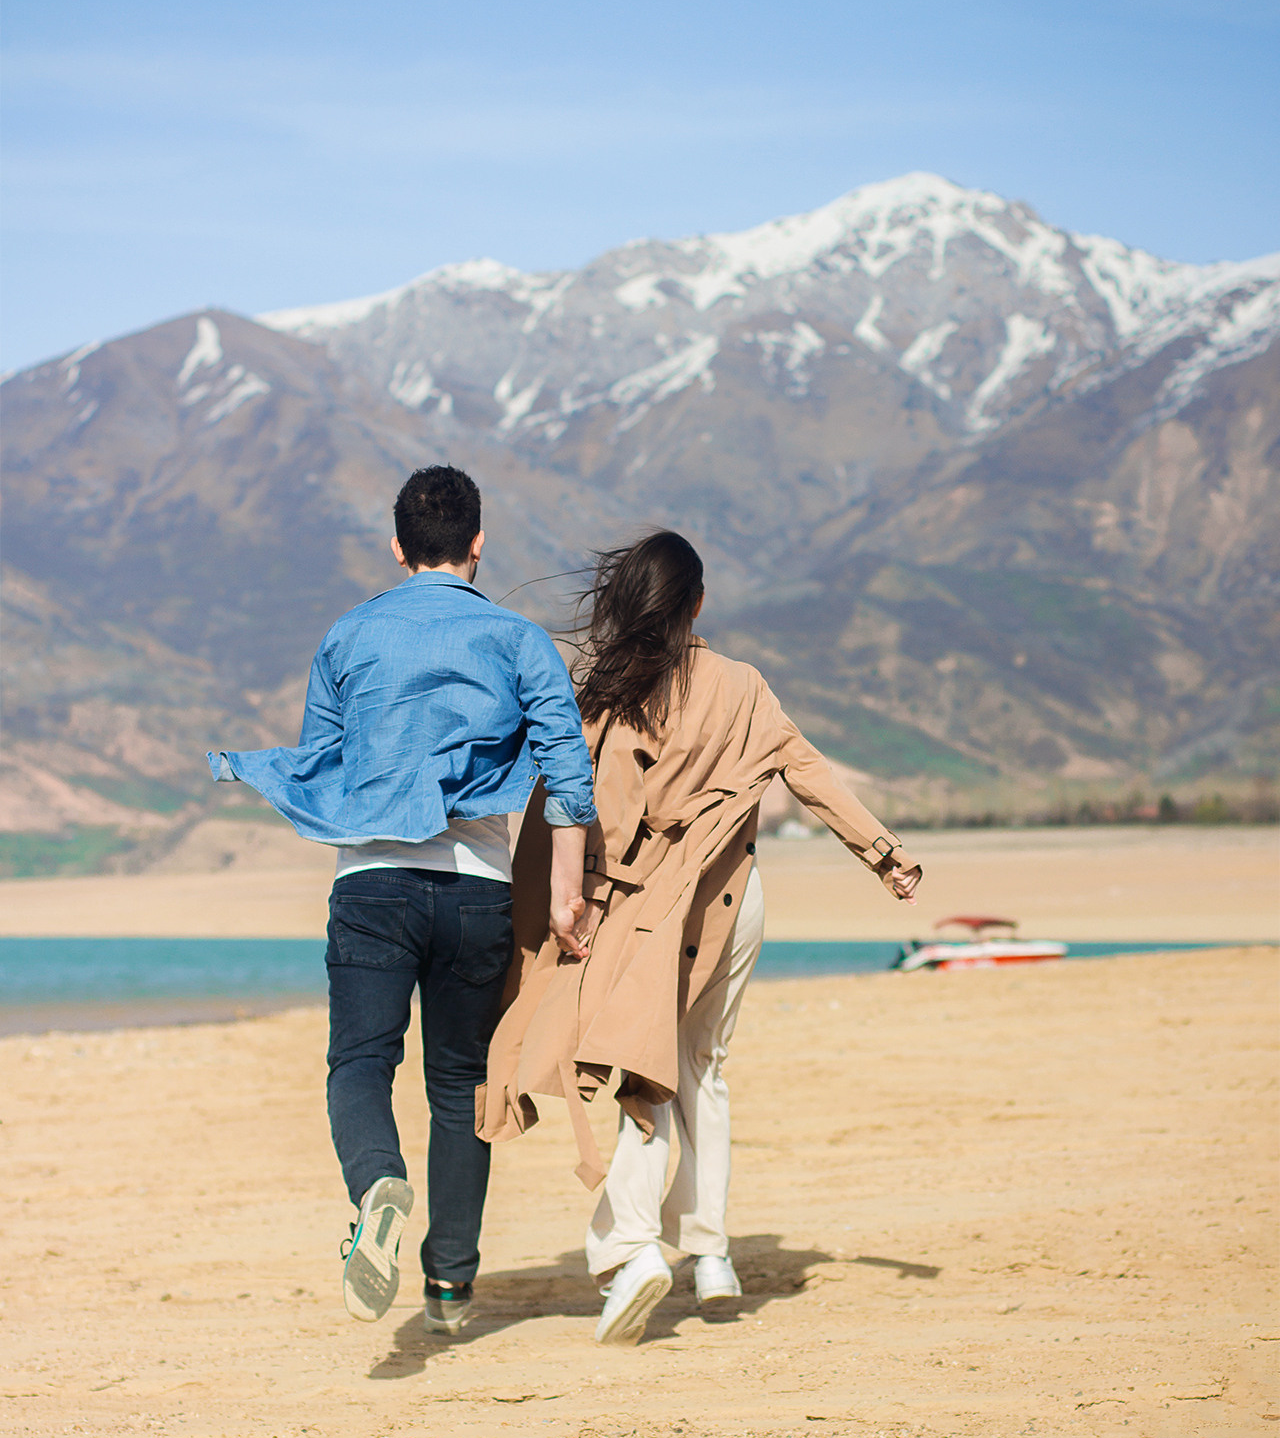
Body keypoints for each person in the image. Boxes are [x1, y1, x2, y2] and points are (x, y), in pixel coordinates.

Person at [483, 530, 922, 1345]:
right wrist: (885, 855)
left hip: (643, 903)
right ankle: (712, 1257)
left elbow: (576, 807)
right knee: (701, 1068)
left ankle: (632, 1249)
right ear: (698, 605)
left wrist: (561, 902)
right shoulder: (744, 685)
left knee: (638, 1075)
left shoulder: (607, 697)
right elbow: (811, 771)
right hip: (731, 896)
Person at [207, 467, 595, 1332]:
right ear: (478, 543)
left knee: (360, 1065)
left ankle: (377, 1182)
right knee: (459, 1084)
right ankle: (451, 1286)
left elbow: (326, 760)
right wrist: (567, 899)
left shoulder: (350, 636)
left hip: (372, 886)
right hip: (478, 891)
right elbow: (572, 777)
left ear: (397, 546)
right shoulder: (518, 638)